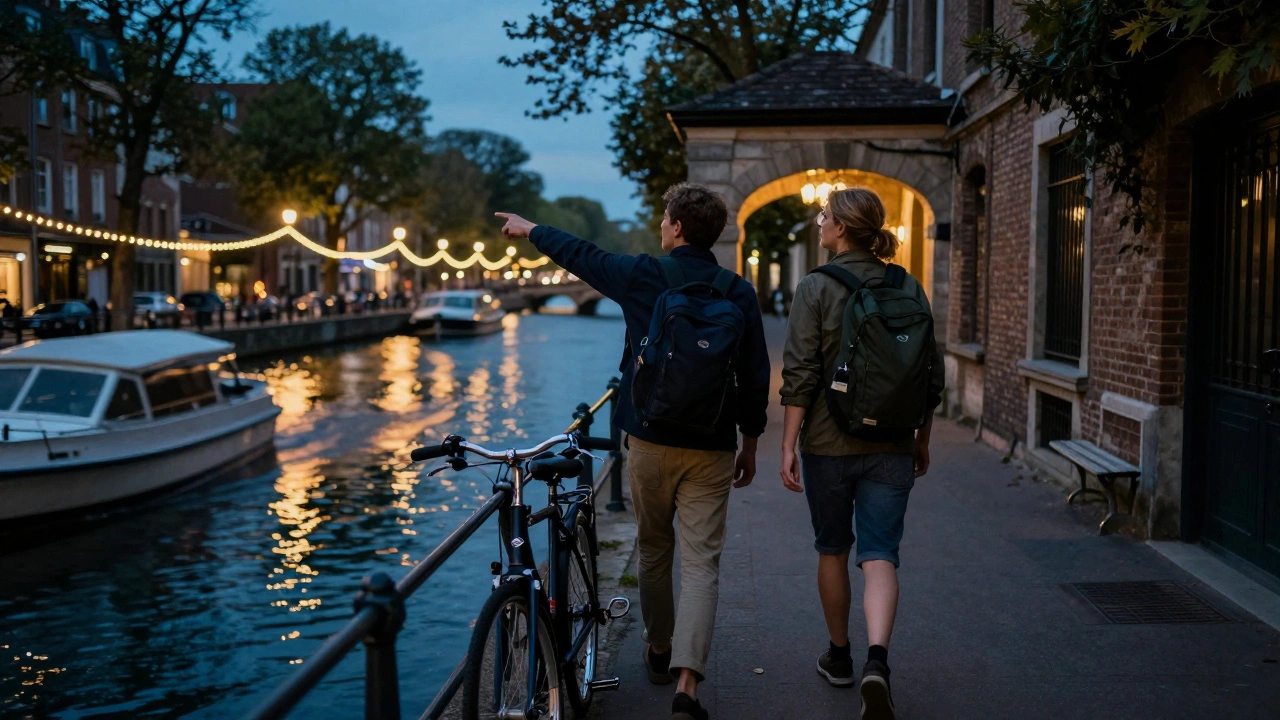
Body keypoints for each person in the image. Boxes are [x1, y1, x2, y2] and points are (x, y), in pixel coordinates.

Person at [496, 183, 770, 720]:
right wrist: (751, 443)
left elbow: (583, 256)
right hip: (712, 444)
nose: (662, 225)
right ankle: (688, 684)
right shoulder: (737, 291)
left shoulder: (644, 275)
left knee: (653, 549)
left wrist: (532, 230)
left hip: (648, 438)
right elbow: (755, 376)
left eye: (666, 218)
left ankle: (659, 647)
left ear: (677, 228)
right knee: (702, 563)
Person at [778, 188, 943, 720]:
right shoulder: (909, 284)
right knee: (880, 555)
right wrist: (921, 437)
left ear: (843, 228)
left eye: (824, 216)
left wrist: (788, 444)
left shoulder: (816, 287)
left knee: (832, 549)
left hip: (828, 444)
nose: (819, 221)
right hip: (894, 442)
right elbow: (928, 372)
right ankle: (878, 661)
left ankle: (841, 657)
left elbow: (800, 373)